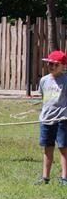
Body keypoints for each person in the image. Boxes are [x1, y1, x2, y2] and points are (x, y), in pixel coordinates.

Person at [35, 50, 67, 186]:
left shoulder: (65, 80)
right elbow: (44, 99)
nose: (51, 66)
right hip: (46, 119)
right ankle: (45, 177)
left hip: (62, 119)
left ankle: (64, 178)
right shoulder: (44, 80)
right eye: (49, 64)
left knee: (63, 148)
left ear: (63, 66)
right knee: (47, 148)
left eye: (55, 64)